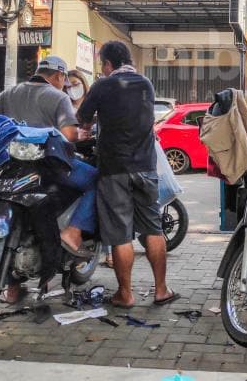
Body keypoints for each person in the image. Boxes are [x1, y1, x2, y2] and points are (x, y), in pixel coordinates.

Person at [0, 55, 98, 301]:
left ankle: (12, 289)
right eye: (64, 80)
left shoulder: (11, 92)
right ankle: (72, 232)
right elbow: (69, 134)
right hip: (46, 168)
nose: (65, 85)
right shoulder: (58, 96)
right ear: (58, 76)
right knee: (97, 180)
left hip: (10, 169)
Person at [77, 40, 179, 308]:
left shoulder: (103, 84)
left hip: (115, 169)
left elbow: (83, 120)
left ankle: (126, 294)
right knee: (153, 229)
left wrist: (90, 126)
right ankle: (161, 290)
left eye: (102, 65)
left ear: (108, 64)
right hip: (146, 166)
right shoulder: (145, 83)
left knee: (121, 235)